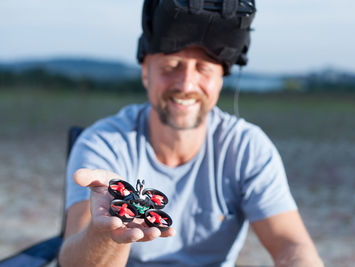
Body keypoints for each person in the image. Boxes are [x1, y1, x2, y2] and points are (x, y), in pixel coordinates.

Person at [59, 0, 323, 266]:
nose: (186, 84)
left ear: (221, 78)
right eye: (171, 67)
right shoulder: (103, 143)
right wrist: (106, 234)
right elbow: (73, 260)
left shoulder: (246, 147)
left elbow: (292, 245)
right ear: (145, 73)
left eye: (204, 68)